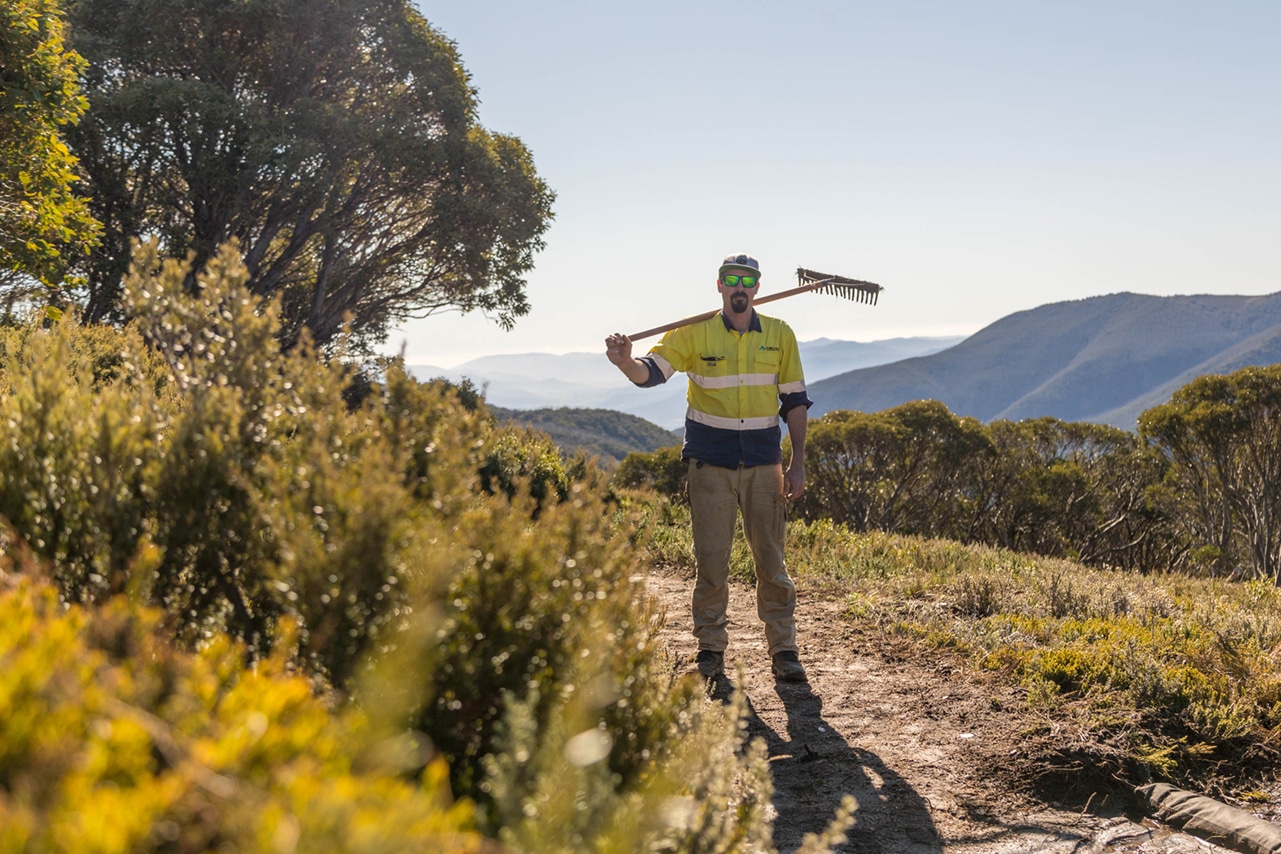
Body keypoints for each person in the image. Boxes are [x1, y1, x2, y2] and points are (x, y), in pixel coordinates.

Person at [605, 253, 811, 683]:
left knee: (772, 562)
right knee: (711, 562)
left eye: (747, 280)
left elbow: (794, 402)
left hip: (763, 463)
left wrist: (797, 463)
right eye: (731, 279)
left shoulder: (779, 335)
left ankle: (784, 648)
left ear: (757, 286)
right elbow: (652, 373)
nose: (740, 286)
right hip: (709, 465)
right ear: (719, 285)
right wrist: (626, 361)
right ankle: (710, 649)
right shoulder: (693, 333)